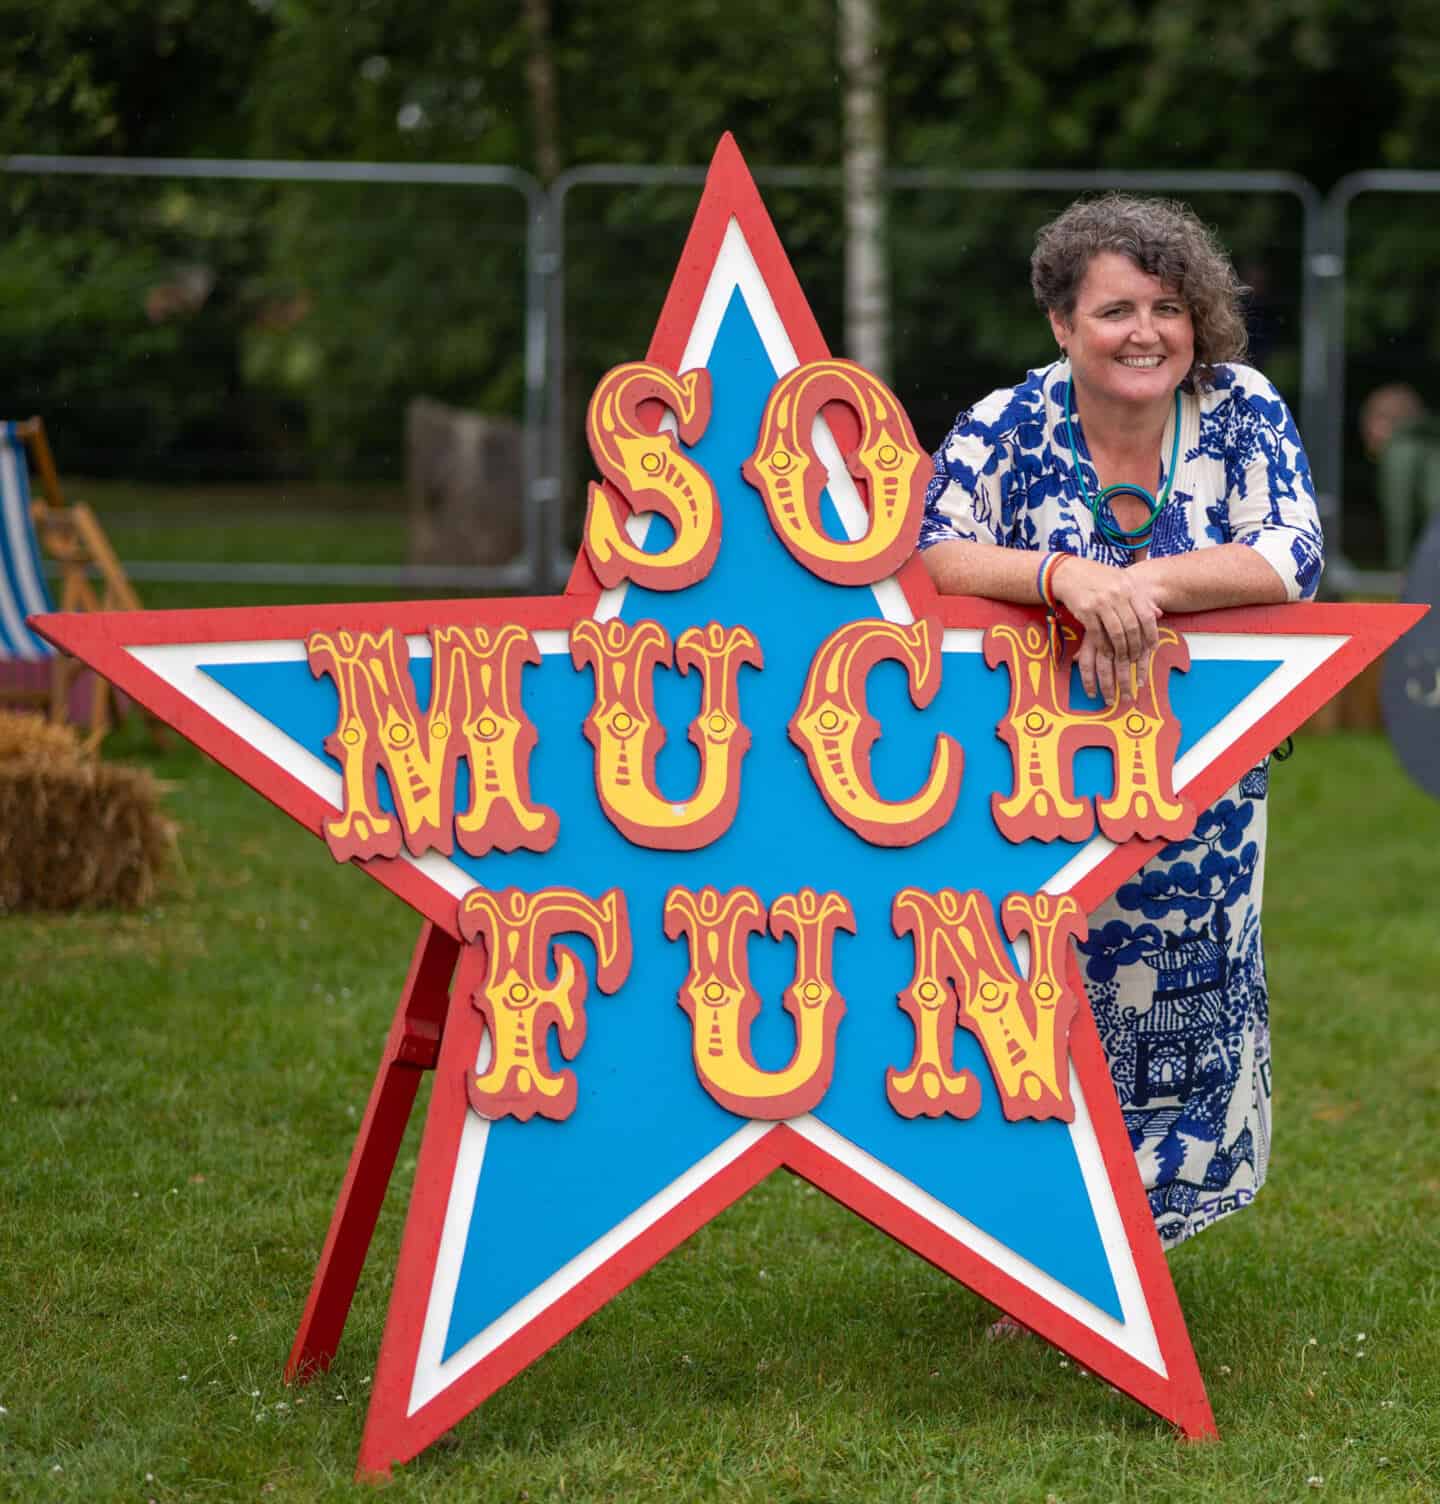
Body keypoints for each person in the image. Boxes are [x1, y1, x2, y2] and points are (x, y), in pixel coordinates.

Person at [919, 193, 1324, 1250]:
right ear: (1062, 324)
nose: (1146, 331)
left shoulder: (1242, 410)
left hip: (1204, 790)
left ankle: (1126, 1260)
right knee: (1036, 1019)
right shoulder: (1008, 424)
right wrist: (1061, 575)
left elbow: (1290, 553)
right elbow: (927, 553)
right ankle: (1049, 1252)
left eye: (1167, 306)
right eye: (1114, 310)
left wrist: (1133, 586)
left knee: (1191, 1017)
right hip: (1035, 791)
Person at [1358, 382, 1440, 573]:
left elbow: (1398, 516)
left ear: (1382, 422)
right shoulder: (1430, 447)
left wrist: (1399, 567)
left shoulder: (1398, 454)